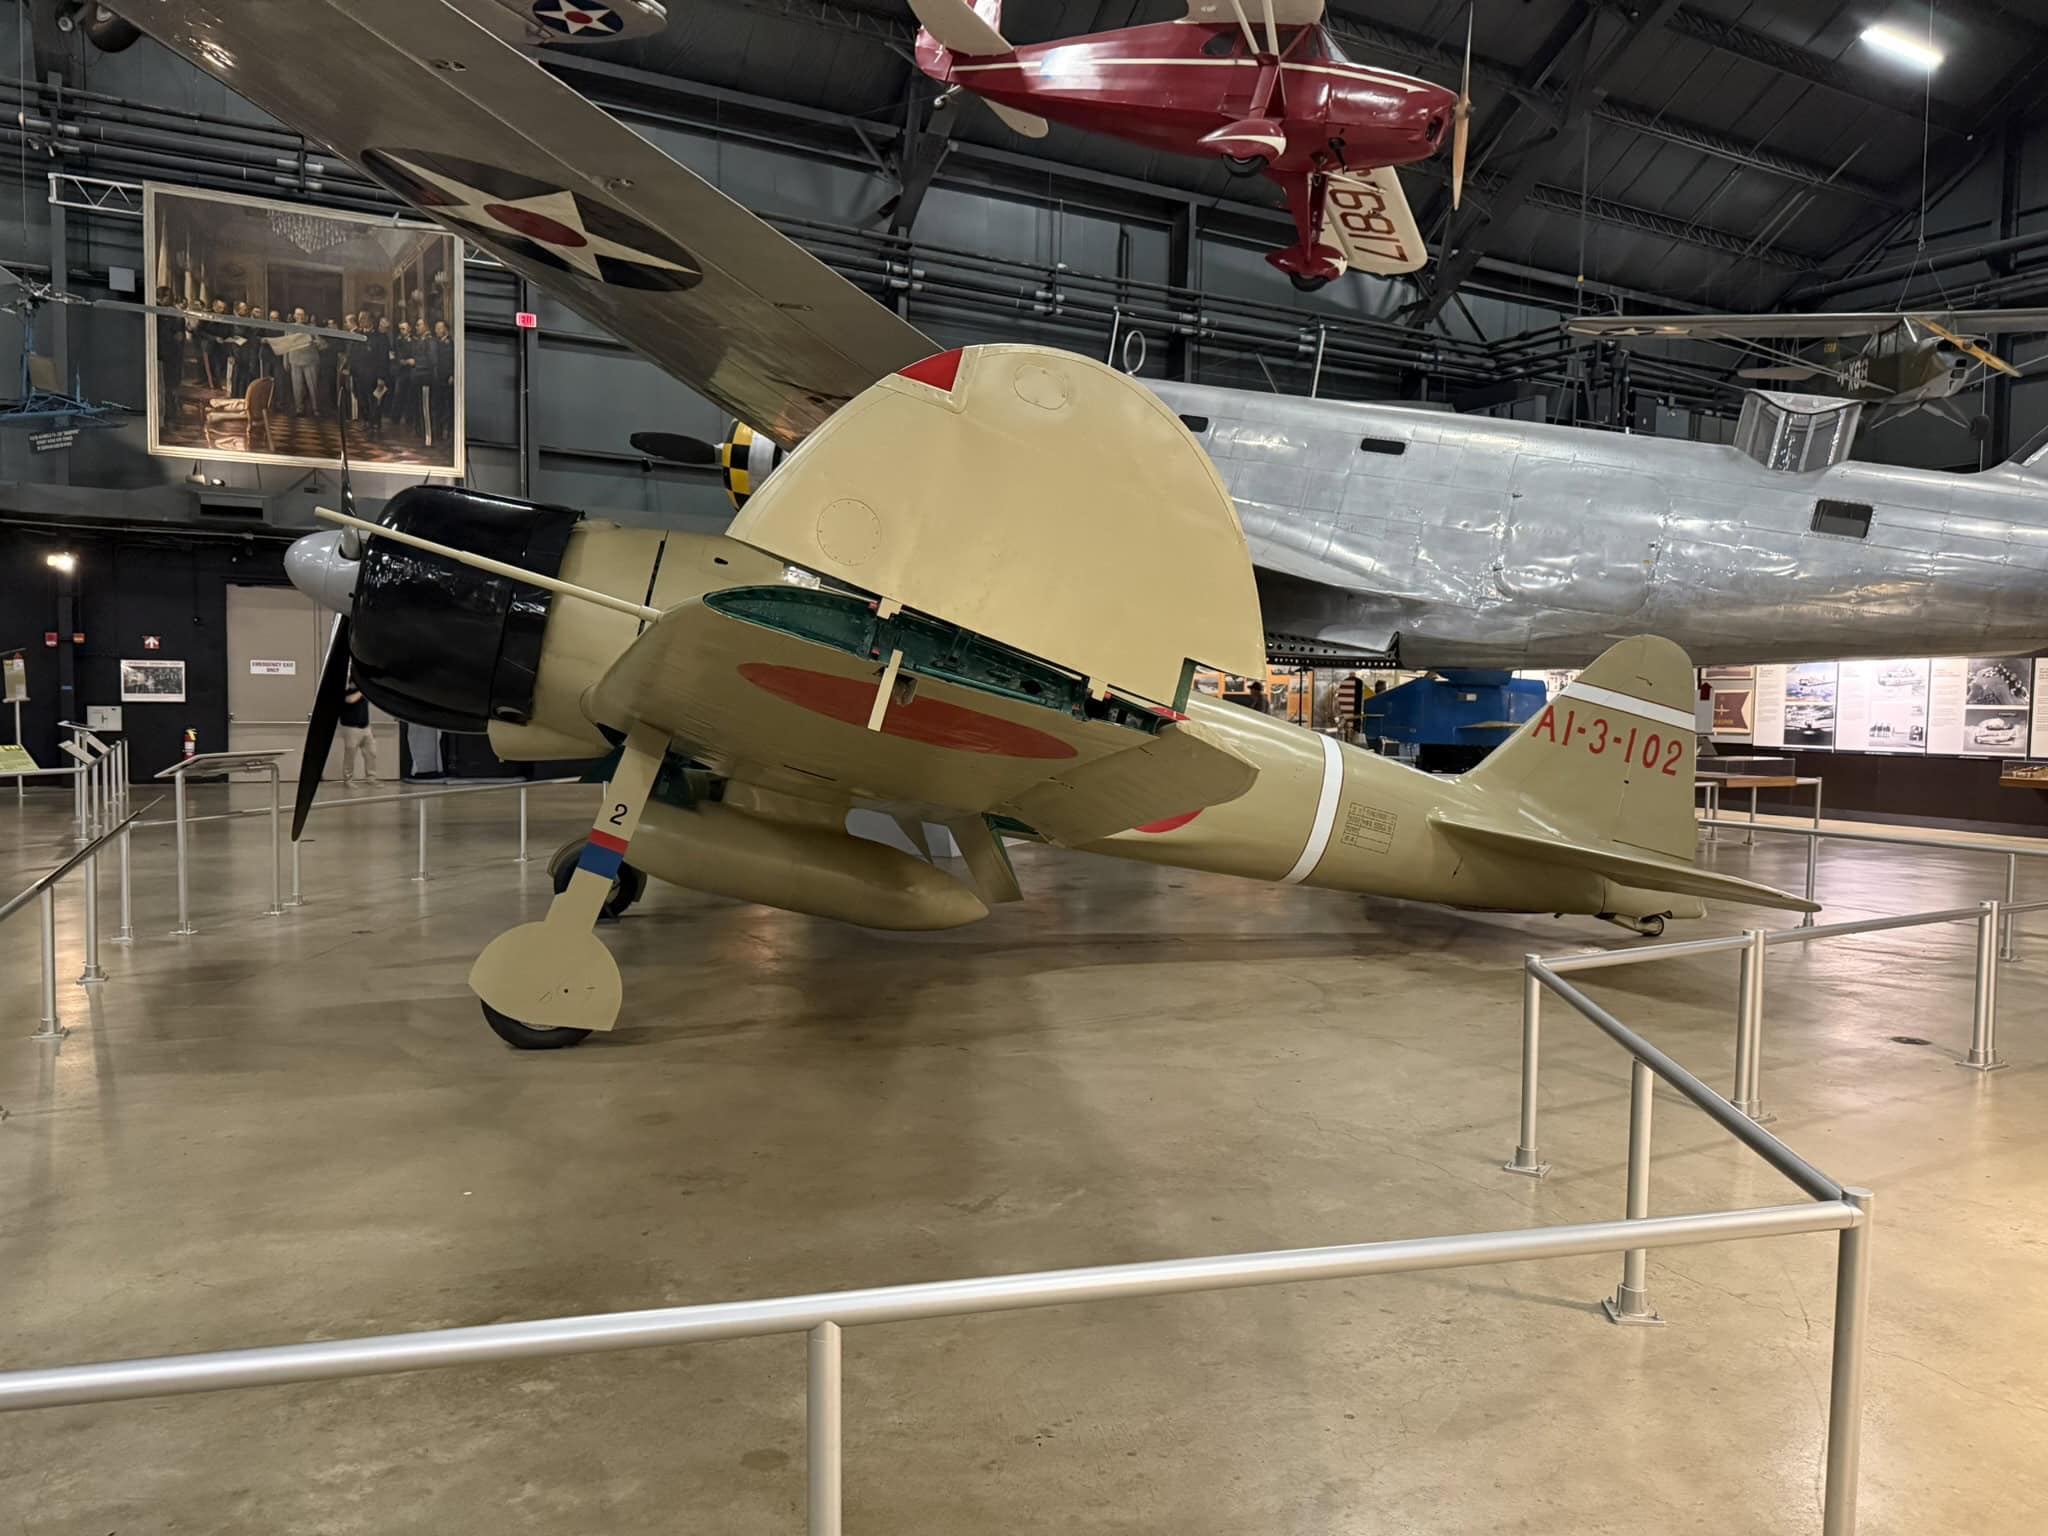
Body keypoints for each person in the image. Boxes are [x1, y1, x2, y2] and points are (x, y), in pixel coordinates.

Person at [275, 307, 320, 415]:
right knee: (297, 386)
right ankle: (299, 408)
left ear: (305, 317)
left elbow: (319, 342)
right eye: (298, 315)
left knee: (313, 386)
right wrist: (285, 361)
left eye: (302, 315)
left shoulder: (311, 328)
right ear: (294, 316)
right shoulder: (289, 328)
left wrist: (314, 342)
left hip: (309, 360)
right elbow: (286, 345)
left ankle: (315, 408)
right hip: (294, 360)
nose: (300, 317)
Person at [154, 286, 185, 425]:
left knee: (170, 386)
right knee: (163, 387)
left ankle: (171, 415)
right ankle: (165, 416)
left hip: (171, 355)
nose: (170, 298)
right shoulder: (159, 312)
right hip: (161, 354)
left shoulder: (174, 313)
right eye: (167, 296)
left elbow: (179, 335)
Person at [337, 677, 376, 786]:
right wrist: (363, 690)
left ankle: (371, 778)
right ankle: (348, 780)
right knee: (350, 755)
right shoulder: (345, 693)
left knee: (371, 753)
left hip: (366, 728)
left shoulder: (363, 694)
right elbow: (350, 700)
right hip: (351, 728)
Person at [426, 318, 456, 450]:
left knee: (447, 406)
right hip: (436, 379)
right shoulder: (434, 343)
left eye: (439, 328)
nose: (437, 330)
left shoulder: (451, 344)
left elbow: (453, 360)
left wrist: (452, 375)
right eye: (436, 328)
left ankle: (447, 431)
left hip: (447, 379)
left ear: (446, 330)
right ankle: (437, 432)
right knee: (436, 406)